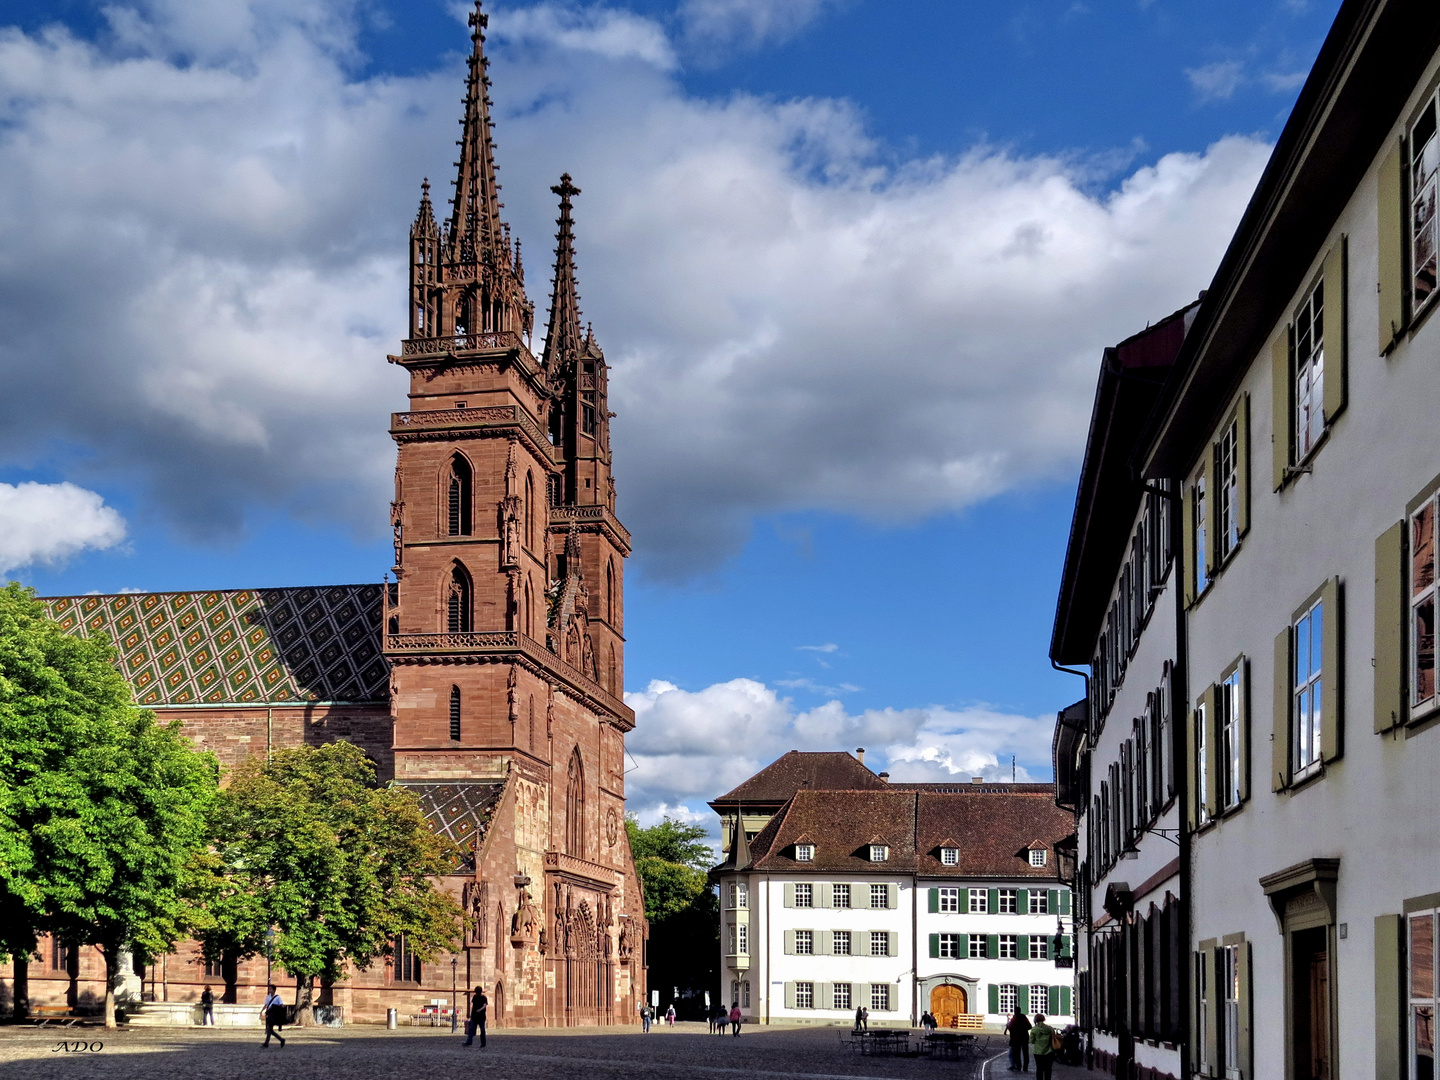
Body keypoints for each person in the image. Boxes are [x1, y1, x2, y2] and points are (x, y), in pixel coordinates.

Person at [1029, 1013, 1057, 1080]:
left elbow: (1031, 1041)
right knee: (1048, 1069)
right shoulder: (1050, 1029)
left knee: (1039, 1069)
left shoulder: (1034, 1029)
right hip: (1049, 1051)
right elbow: (1054, 1038)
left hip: (1038, 1052)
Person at [1004, 1007, 1031, 1072]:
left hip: (1016, 1038)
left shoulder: (1014, 1018)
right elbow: (1029, 1026)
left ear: (1015, 1011)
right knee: (1025, 1053)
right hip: (1024, 1037)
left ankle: (1018, 1066)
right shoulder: (1024, 1017)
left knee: (1017, 1053)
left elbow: (1010, 1027)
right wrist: (1024, 1029)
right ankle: (1025, 1067)